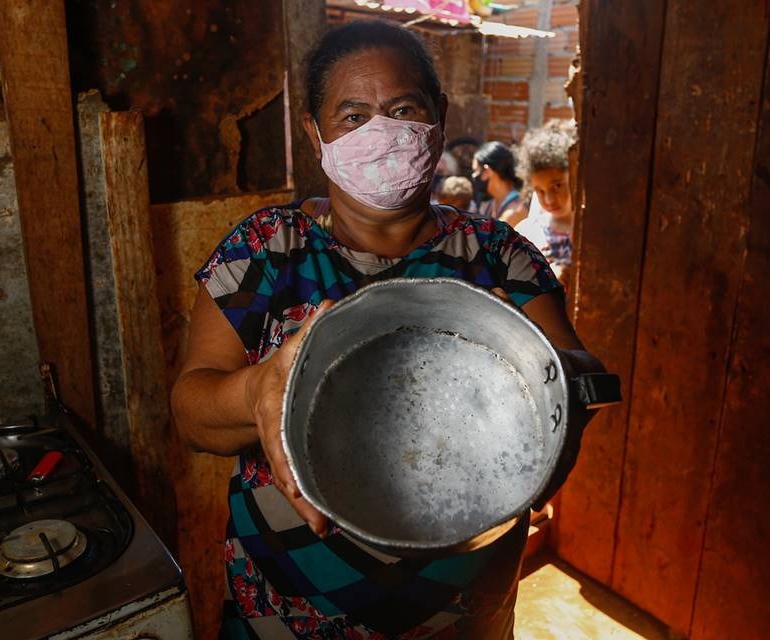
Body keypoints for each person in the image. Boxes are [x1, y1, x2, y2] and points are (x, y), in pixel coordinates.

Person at [171, 21, 605, 639]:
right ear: (313, 133)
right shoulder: (265, 250)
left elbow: (571, 382)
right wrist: (254, 391)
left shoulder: (497, 257)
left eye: (403, 109)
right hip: (288, 615)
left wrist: (566, 397)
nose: (381, 134)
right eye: (353, 116)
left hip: (457, 617)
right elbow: (191, 412)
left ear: (439, 117)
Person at [515, 120, 576, 286]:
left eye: (557, 186)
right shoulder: (527, 233)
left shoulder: (594, 232)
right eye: (540, 191)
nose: (549, 200)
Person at [471, 141, 526, 227]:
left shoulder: (514, 210)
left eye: (476, 171)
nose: (474, 176)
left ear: (487, 171)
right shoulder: (492, 204)